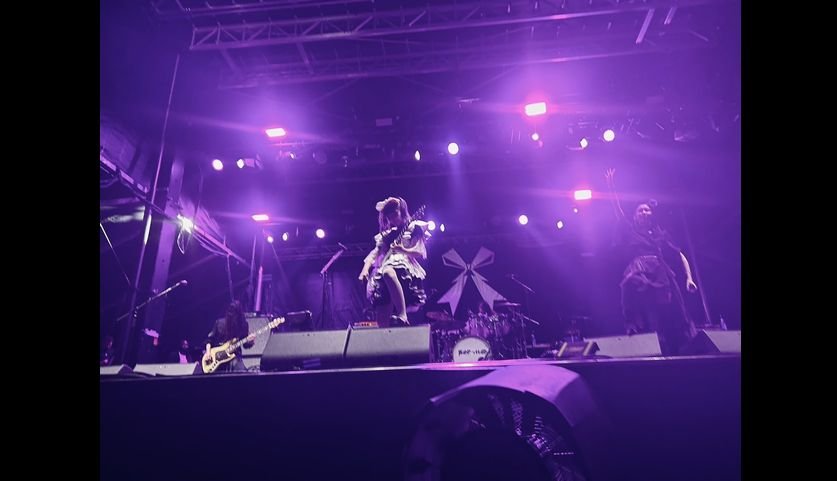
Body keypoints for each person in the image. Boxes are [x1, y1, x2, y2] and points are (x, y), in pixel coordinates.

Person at [605, 168, 698, 355]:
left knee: (672, 307)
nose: (644, 212)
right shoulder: (630, 229)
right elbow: (618, 211)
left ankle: (678, 341)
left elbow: (679, 255)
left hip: (661, 273)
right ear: (635, 215)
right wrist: (611, 187)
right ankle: (636, 328)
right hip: (640, 271)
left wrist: (689, 278)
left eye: (647, 210)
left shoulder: (660, 234)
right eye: (641, 210)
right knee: (634, 295)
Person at [359, 197, 431, 327]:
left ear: (402, 211)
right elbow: (375, 253)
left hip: (404, 268)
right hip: (384, 269)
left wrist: (403, 250)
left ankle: (403, 315)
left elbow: (420, 253)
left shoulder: (413, 227)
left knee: (388, 272)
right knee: (382, 317)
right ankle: (385, 336)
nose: (393, 219)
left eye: (395, 214)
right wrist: (365, 270)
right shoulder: (387, 235)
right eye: (389, 217)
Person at [205, 300, 253, 372]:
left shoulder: (243, 325)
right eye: (230, 314)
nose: (232, 317)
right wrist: (208, 352)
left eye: (235, 315)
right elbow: (209, 340)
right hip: (218, 356)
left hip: (234, 356)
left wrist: (250, 342)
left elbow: (245, 345)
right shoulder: (219, 323)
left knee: (242, 372)